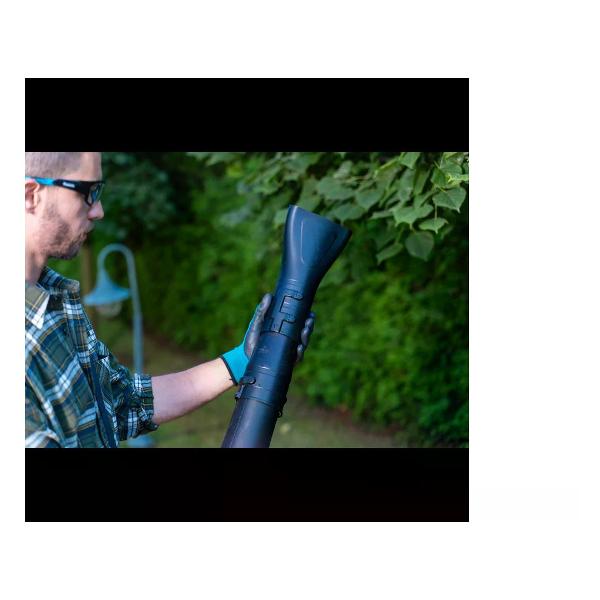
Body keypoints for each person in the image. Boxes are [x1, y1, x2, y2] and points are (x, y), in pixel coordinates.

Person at [25, 152, 315, 448]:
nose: (98, 210)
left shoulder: (55, 301)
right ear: (31, 195)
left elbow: (123, 403)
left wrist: (242, 360)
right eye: (87, 192)